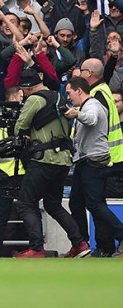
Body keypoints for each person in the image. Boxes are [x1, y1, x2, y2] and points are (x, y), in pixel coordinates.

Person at [12, 67, 89, 258]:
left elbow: (19, 128)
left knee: (25, 203)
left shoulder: (34, 99)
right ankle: (80, 244)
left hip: (44, 159)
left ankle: (36, 249)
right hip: (62, 160)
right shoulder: (58, 96)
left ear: (27, 89)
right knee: (53, 204)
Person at [65, 74, 123, 256]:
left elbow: (91, 119)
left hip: (93, 162)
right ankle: (81, 244)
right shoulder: (87, 105)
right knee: (76, 203)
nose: (68, 97)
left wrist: (77, 114)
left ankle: (121, 234)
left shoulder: (92, 106)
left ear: (79, 91)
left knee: (95, 204)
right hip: (85, 162)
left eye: (69, 93)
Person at [0, 86, 26, 258]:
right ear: (12, 99)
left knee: (1, 220)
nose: (23, 100)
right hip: (18, 173)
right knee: (27, 213)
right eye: (21, 96)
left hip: (1, 175)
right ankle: (31, 250)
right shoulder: (20, 119)